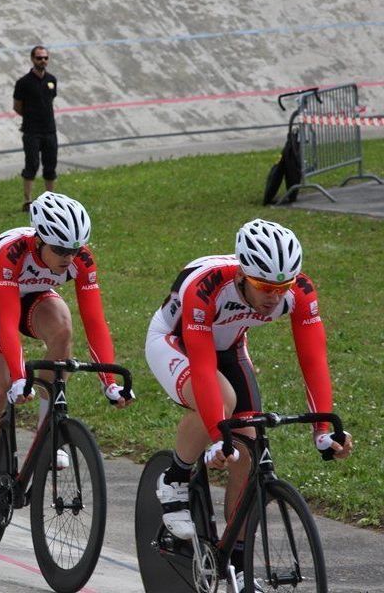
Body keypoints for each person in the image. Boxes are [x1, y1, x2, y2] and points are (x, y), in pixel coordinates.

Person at [145, 218, 353, 588]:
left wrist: (323, 430)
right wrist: (215, 432)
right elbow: (204, 365)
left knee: (249, 444)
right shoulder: (206, 285)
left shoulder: (300, 291)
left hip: (230, 347)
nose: (274, 297)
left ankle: (237, 565)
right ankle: (175, 476)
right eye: (263, 286)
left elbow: (313, 359)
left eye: (282, 286)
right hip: (175, 342)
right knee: (221, 403)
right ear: (243, 273)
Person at [0, 191, 134, 536]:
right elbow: (7, 321)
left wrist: (110, 382)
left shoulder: (81, 259)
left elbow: (95, 323)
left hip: (34, 297)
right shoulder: (11, 253)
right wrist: (20, 376)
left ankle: (46, 433)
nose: (70, 257)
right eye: (61, 250)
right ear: (39, 240)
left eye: (75, 249)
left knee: (63, 326)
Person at [13, 45, 58, 212]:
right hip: (32, 131)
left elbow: (50, 101)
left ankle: (51, 200)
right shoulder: (23, 83)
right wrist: (31, 117)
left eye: (45, 58)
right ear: (33, 59)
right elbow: (17, 106)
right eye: (39, 58)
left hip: (50, 130)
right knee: (31, 165)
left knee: (50, 165)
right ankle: (28, 200)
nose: (43, 61)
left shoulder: (52, 80)